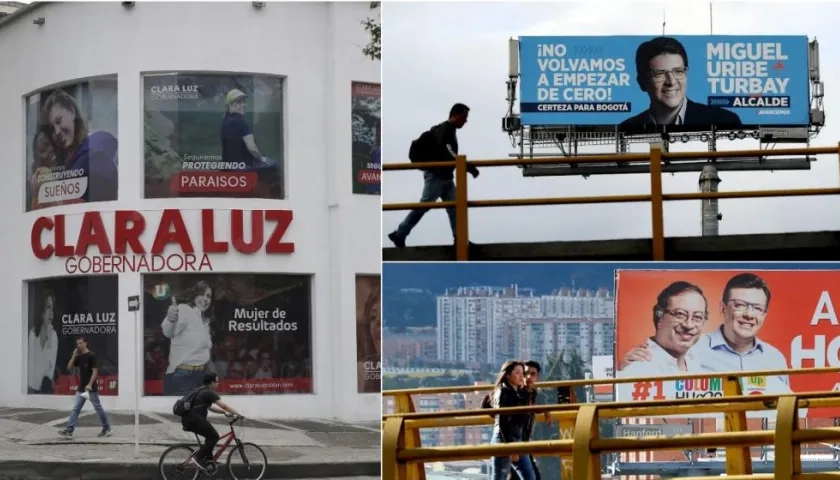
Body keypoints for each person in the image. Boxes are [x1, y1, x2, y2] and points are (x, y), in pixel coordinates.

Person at [621, 273, 790, 392]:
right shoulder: (691, 347)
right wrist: (627, 368)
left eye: (757, 308)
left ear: (764, 315)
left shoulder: (775, 358)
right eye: (739, 305)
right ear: (722, 308)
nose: (748, 314)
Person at [388, 103, 479, 249]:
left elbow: (448, 154)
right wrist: (466, 166)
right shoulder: (446, 129)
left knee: (455, 208)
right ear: (454, 115)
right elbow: (449, 152)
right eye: (464, 117)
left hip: (446, 177)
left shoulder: (448, 130)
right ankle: (400, 234)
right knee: (425, 205)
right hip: (436, 176)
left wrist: (465, 166)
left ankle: (460, 241)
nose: (465, 121)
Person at [619, 37, 742, 129]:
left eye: (678, 71)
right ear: (642, 83)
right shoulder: (625, 129)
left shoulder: (725, 121)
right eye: (660, 73)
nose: (671, 82)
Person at [39, 88, 119, 203]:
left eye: (59, 120)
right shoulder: (64, 163)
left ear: (72, 111)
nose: (56, 131)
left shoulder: (97, 148)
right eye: (51, 129)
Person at [617, 281, 707, 378]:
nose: (689, 325)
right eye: (680, 314)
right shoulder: (639, 369)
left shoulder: (698, 359)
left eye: (697, 317)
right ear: (660, 318)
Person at [182, 372, 243, 471]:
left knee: (209, 437)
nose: (218, 383)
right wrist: (239, 414)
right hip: (195, 420)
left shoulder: (200, 390)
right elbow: (224, 405)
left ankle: (209, 461)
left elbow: (211, 408)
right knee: (214, 436)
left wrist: (224, 413)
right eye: (217, 381)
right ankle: (198, 458)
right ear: (211, 382)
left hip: (189, 420)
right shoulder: (209, 392)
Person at [161, 282, 214, 396]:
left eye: (208, 296)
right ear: (194, 296)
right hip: (183, 377)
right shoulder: (184, 310)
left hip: (200, 376)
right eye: (202, 294)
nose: (205, 299)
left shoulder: (204, 320)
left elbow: (204, 353)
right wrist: (170, 319)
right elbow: (168, 332)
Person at [490, 360, 536, 480]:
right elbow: (502, 421)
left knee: (530, 477)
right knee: (500, 477)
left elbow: (522, 416)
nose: (521, 376)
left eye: (522, 373)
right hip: (504, 440)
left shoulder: (518, 392)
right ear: (507, 375)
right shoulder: (503, 392)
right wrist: (510, 447)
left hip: (517, 439)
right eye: (517, 373)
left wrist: (527, 392)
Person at [58, 336, 111, 438]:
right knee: (76, 409)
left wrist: (90, 385)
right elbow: (69, 367)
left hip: (91, 389)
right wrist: (73, 356)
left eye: (81, 343)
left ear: (85, 343)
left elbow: (95, 371)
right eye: (77, 344)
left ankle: (107, 427)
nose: (79, 345)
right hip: (81, 388)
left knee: (98, 409)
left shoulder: (91, 356)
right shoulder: (79, 356)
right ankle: (69, 430)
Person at [220, 89, 272, 169]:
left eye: (244, 102)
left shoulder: (225, 120)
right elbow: (252, 148)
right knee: (273, 164)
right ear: (229, 105)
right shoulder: (241, 122)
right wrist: (261, 159)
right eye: (239, 103)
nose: (243, 105)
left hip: (227, 167)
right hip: (243, 168)